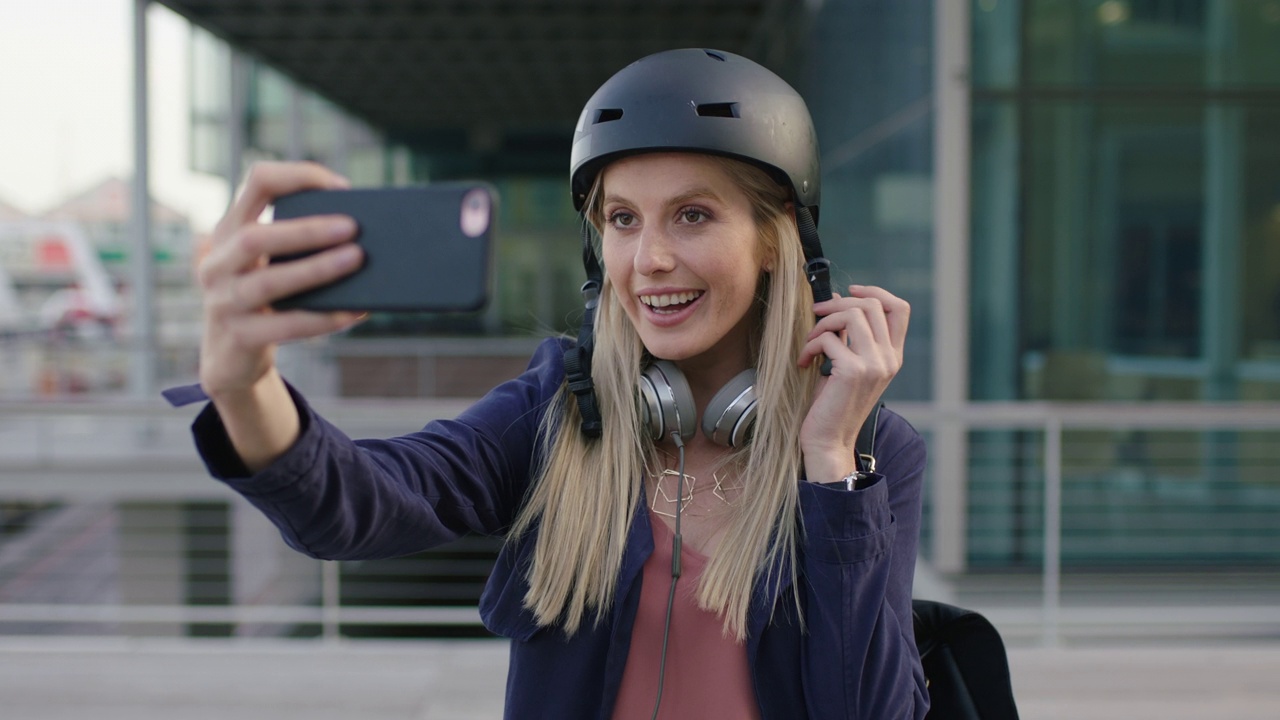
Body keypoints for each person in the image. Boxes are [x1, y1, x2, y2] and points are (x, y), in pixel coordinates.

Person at [175, 48, 928, 719]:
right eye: (623, 219)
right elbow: (361, 505)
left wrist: (829, 462)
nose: (649, 259)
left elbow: (874, 708)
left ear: (778, 240)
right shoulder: (557, 405)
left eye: (693, 215)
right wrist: (244, 384)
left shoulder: (874, 453)